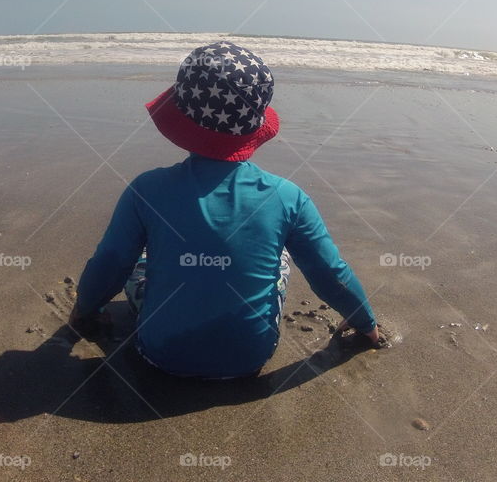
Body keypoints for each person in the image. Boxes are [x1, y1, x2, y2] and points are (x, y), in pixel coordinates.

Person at [68, 41, 379, 379]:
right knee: (281, 258)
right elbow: (330, 273)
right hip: (251, 357)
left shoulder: (146, 190)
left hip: (158, 353)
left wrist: (85, 310)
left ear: (180, 118)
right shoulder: (288, 196)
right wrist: (366, 324)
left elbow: (110, 263)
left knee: (137, 262)